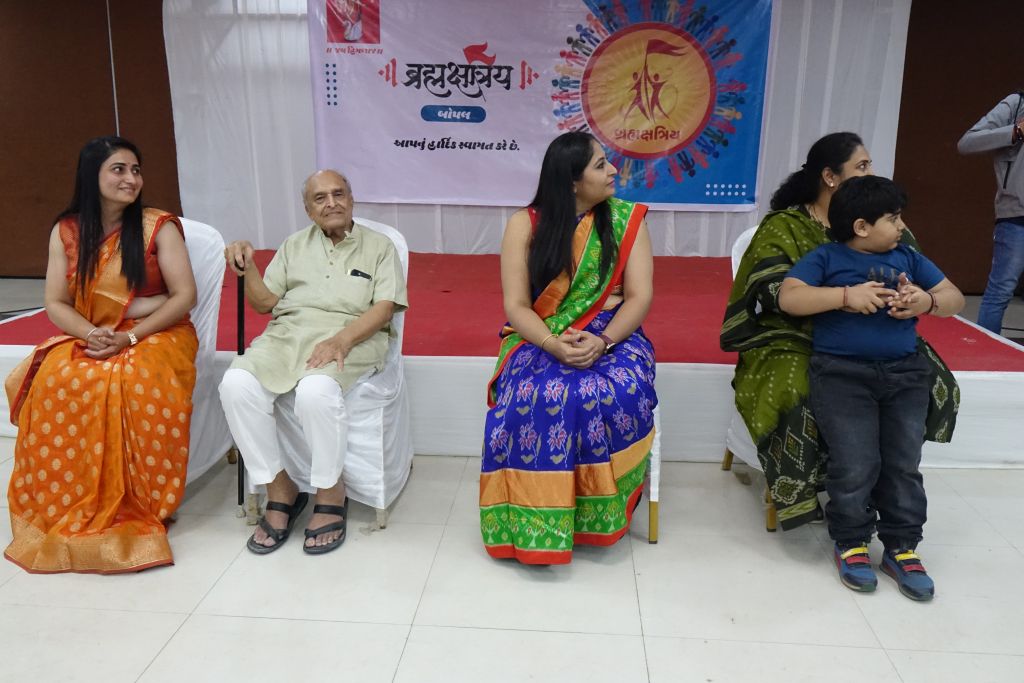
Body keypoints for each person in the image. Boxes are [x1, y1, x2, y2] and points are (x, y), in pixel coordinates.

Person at [720, 132, 959, 530]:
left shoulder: (888, 227)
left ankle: (888, 483)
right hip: (792, 333)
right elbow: (776, 292)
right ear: (830, 177)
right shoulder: (788, 226)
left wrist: (921, 301)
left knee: (935, 380)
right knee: (794, 387)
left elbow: (936, 287)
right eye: (861, 166)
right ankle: (826, 498)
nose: (871, 171)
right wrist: (842, 298)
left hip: (880, 336)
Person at [3, 136, 198, 574]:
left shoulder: (158, 226)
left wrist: (130, 335)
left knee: (131, 378)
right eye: (119, 169)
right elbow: (55, 303)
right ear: (92, 176)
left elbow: (184, 296)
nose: (131, 179)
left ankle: (139, 501)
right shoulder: (67, 231)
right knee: (55, 378)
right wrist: (93, 333)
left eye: (136, 170)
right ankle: (66, 496)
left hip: (159, 333)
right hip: (93, 330)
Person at [779, 176, 964, 601]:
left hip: (905, 375)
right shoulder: (826, 257)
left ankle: (902, 546)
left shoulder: (909, 258)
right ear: (861, 227)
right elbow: (790, 298)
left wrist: (926, 302)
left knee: (903, 462)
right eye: (893, 219)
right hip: (841, 376)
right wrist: (844, 297)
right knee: (855, 461)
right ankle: (852, 541)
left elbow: (952, 296)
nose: (901, 226)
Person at [480, 131, 657, 565]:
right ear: (573, 182)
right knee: (535, 394)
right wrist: (551, 344)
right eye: (600, 165)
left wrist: (604, 341)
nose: (613, 170)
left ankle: (595, 513)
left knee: (606, 392)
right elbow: (517, 306)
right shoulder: (525, 224)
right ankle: (537, 523)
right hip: (540, 332)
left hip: (615, 334)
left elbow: (639, 298)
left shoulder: (627, 220)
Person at [219, 169, 407, 556]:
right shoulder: (293, 245)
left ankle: (330, 490)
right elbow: (264, 303)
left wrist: (342, 339)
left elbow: (385, 308)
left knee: (315, 390)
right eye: (320, 198)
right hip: (288, 335)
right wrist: (248, 266)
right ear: (308, 209)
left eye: (339, 194)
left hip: (352, 336)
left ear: (352, 200)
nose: (331, 203)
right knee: (235, 385)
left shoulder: (380, 246)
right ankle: (279, 487)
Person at [957, 91, 1024, 335]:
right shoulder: (1017, 103)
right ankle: (985, 353)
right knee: (1000, 291)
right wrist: (1015, 131)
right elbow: (967, 142)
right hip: (1016, 215)